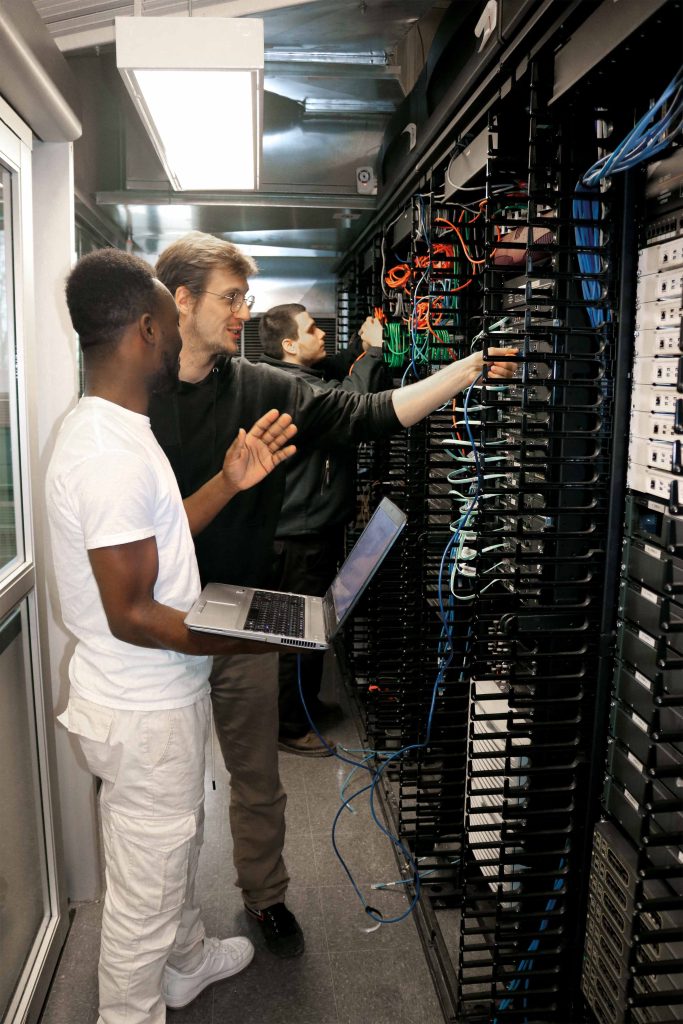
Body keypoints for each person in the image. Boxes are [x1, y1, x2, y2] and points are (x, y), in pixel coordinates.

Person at [148, 230, 516, 960]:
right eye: (229, 297)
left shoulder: (261, 386)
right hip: (156, 625)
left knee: (257, 779)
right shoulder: (134, 395)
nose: (241, 312)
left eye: (246, 297)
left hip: (243, 617)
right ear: (180, 300)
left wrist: (468, 369)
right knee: (166, 795)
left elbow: (372, 413)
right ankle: (172, 927)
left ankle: (266, 897)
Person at [46, 248, 298, 1024]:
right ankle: (130, 1011)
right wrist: (249, 640)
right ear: (148, 330)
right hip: (142, 705)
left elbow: (156, 551)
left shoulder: (122, 429)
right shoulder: (107, 454)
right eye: (168, 318)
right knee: (145, 889)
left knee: (174, 844)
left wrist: (227, 481)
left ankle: (184, 962)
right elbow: (134, 612)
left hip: (156, 697)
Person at [258, 304, 391, 755]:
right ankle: (289, 728)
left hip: (308, 530)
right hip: (299, 537)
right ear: (288, 346)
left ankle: (304, 705)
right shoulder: (295, 388)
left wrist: (361, 348)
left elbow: (338, 371)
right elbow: (355, 407)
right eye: (312, 330)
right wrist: (370, 353)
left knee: (310, 630)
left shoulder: (294, 376)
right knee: (296, 636)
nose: (322, 335)